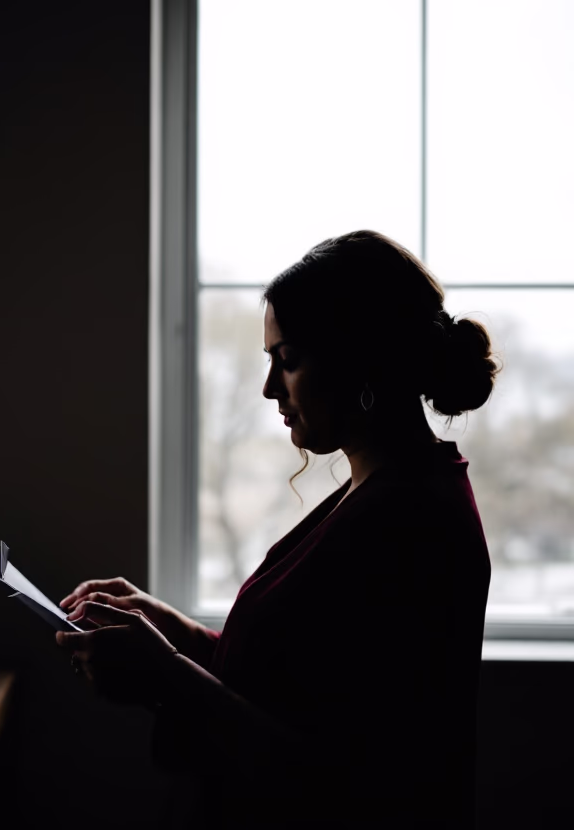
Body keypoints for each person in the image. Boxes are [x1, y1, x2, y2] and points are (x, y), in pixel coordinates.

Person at [57, 230, 495, 827]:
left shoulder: (413, 523)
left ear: (359, 359)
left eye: (287, 360)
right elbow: (298, 683)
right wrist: (179, 634)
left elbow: (352, 781)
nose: (269, 388)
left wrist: (164, 675)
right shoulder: (381, 490)